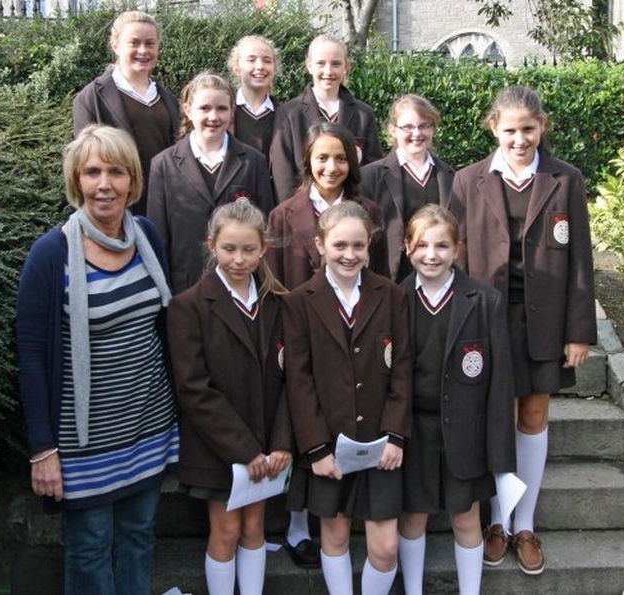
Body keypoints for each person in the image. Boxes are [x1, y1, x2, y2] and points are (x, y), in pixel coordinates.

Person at [16, 124, 180, 595]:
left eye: (116, 171)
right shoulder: (50, 255)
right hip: (83, 441)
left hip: (148, 423)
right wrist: (43, 449)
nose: (104, 183)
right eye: (92, 172)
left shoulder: (146, 235)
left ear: (132, 180)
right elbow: (30, 356)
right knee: (89, 549)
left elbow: (160, 328)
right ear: (76, 181)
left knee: (138, 537)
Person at [448, 85, 597, 575]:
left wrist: (579, 332)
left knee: (532, 416)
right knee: (496, 417)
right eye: (509, 130)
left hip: (545, 320)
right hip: (487, 318)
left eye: (528, 129)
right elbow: (456, 252)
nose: (519, 139)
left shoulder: (565, 179)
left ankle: (526, 525)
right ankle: (498, 520)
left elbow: (580, 261)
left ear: (542, 128)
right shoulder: (469, 180)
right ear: (493, 127)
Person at [282, 201, 411, 595]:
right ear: (320, 245)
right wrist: (316, 448)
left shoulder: (391, 295)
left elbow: (403, 368)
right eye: (339, 245)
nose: (349, 254)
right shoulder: (299, 300)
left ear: (369, 245)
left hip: (380, 443)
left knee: (387, 549)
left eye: (358, 245)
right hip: (328, 445)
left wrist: (395, 435)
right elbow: (298, 380)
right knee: (334, 537)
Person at [167, 198, 292, 595]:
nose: (239, 259)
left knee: (255, 526)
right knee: (226, 529)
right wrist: (244, 449)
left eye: (249, 249)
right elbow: (193, 387)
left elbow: (294, 380)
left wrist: (282, 442)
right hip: (218, 447)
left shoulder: (278, 303)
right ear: (211, 246)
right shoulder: (188, 306)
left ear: (263, 250)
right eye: (229, 249)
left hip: (269, 445)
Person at [398, 204, 516, 595]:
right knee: (412, 518)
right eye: (422, 245)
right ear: (406, 248)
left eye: (442, 246)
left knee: (466, 518)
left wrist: (499, 454)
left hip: (466, 432)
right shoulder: (395, 300)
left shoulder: (485, 301)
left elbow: (500, 385)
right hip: (413, 431)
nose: (431, 254)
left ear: (458, 249)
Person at [147, 72, 275, 295]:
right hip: (186, 287)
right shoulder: (163, 165)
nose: (213, 117)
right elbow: (158, 237)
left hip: (241, 283)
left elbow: (264, 227)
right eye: (204, 108)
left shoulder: (253, 162)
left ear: (232, 111)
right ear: (188, 110)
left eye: (222, 108)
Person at [73, 11, 179, 216]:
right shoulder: (90, 98)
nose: (143, 50)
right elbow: (84, 166)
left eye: (150, 43)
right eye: (134, 43)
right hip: (117, 210)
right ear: (116, 46)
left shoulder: (169, 99)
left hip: (164, 208)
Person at [267, 121, 389, 291]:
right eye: (322, 158)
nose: (331, 168)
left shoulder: (371, 213)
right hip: (299, 316)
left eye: (341, 159)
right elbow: (274, 284)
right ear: (308, 160)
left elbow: (381, 281)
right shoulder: (281, 217)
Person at [270, 34, 383, 202]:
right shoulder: (289, 113)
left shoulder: (363, 114)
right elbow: (283, 174)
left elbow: (372, 169)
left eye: (336, 64)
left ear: (346, 66)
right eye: (321, 63)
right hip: (304, 213)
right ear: (309, 65)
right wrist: (295, 215)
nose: (328, 71)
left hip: (350, 214)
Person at [360, 94, 455, 282]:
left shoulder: (450, 176)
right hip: (389, 278)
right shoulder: (369, 177)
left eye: (424, 126)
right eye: (408, 127)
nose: (417, 133)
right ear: (393, 130)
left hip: (437, 277)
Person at [228, 34, 280, 164]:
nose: (260, 66)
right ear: (236, 68)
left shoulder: (284, 114)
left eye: (267, 61)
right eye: (251, 60)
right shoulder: (225, 110)